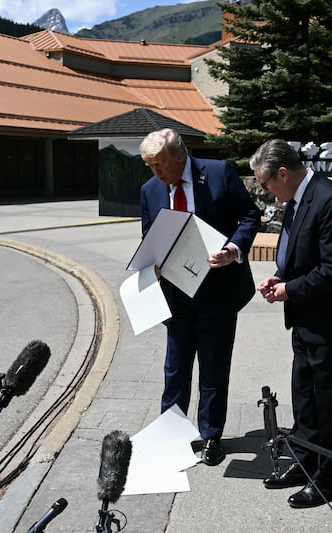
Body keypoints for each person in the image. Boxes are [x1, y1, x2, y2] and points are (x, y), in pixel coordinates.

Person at [251, 139, 332, 508]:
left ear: (282, 174)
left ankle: (327, 479)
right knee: (304, 396)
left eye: (265, 184)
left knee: (328, 401)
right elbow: (301, 254)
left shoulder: (330, 200)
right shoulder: (296, 199)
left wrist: (289, 290)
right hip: (308, 314)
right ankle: (306, 461)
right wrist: (280, 277)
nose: (265, 192)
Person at [139, 128, 261, 466]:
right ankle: (172, 436)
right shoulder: (150, 190)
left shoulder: (218, 174)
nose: (156, 172)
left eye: (160, 164)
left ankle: (211, 436)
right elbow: (149, 234)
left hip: (217, 290)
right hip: (176, 293)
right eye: (150, 166)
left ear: (180, 156)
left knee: (214, 367)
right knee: (175, 370)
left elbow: (250, 216)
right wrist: (152, 261)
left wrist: (233, 249)